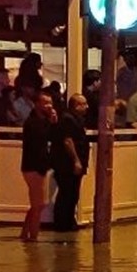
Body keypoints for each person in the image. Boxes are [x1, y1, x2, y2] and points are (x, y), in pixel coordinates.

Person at [20, 91, 57, 241]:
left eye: (50, 103)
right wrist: (52, 123)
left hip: (38, 166)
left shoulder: (43, 121)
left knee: (37, 204)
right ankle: (33, 238)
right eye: (45, 103)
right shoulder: (32, 122)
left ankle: (24, 233)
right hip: (32, 166)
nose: (49, 106)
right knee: (39, 205)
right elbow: (42, 138)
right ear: (37, 104)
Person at [51, 94, 90, 232]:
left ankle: (68, 222)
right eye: (84, 104)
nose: (87, 107)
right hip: (67, 165)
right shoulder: (68, 120)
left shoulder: (76, 119)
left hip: (72, 164)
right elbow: (68, 140)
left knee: (73, 194)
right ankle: (62, 224)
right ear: (76, 106)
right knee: (67, 193)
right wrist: (76, 161)